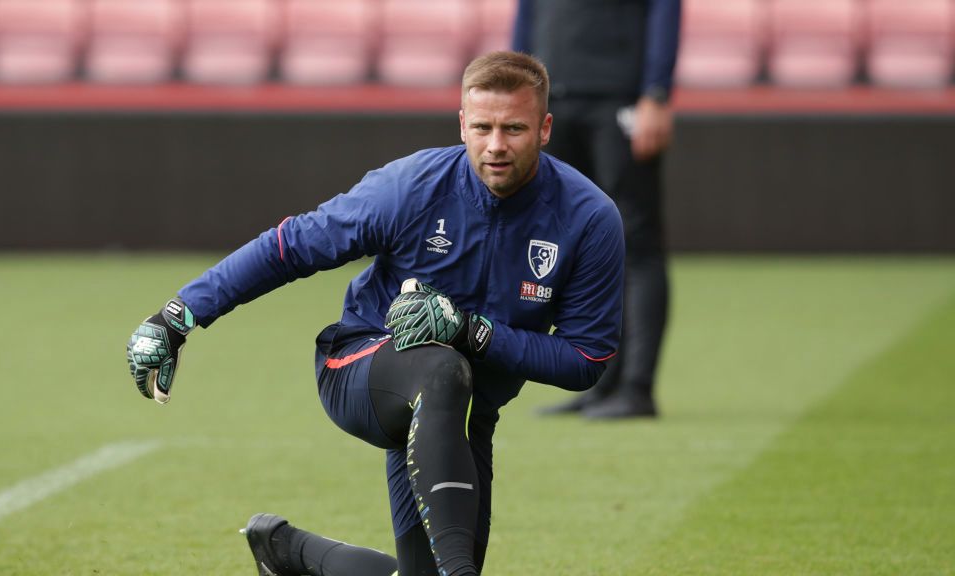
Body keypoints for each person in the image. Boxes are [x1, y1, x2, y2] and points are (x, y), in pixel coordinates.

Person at [125, 51, 624, 576]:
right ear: (462, 124)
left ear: (544, 128)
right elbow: (292, 245)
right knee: (440, 366)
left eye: (514, 129)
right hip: (361, 365)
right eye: (482, 127)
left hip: (464, 414)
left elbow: (585, 359)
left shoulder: (588, 219)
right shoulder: (410, 188)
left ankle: (286, 550)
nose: (495, 145)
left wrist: (471, 332)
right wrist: (178, 315)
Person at [514, 0, 681, 420]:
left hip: (618, 99)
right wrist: (515, 87)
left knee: (635, 240)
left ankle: (637, 387)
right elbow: (527, 13)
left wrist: (656, 93)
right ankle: (597, 381)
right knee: (578, 245)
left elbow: (665, 10)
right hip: (556, 96)